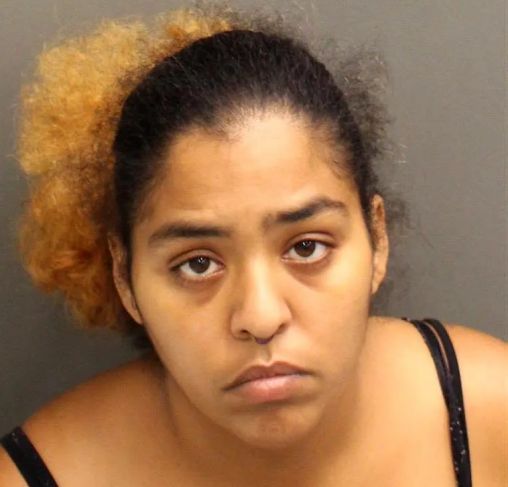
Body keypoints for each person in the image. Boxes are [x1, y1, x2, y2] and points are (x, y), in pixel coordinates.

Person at [0, 3, 506, 486]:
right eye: (198, 264)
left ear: (376, 239)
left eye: (306, 248)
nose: (261, 318)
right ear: (124, 278)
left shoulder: (493, 413)